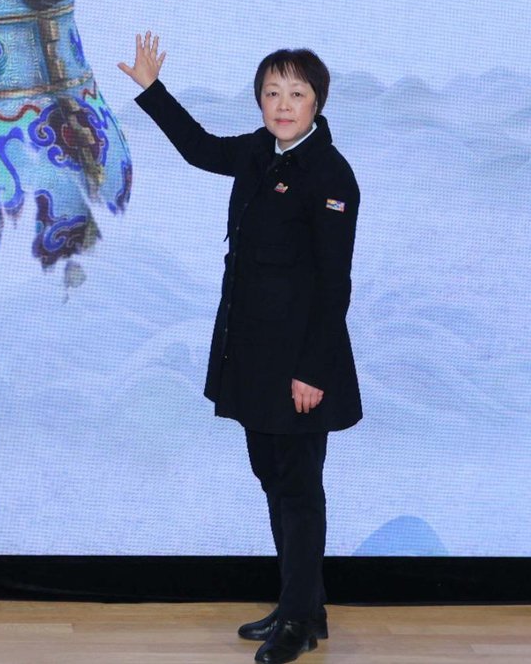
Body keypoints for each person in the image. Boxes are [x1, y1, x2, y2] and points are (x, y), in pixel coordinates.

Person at [119, 34, 362, 664]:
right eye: (273, 93)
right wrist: (152, 90)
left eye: (297, 94)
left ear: (318, 102)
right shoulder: (261, 152)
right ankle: (300, 605)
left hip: (302, 365)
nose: (284, 104)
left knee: (299, 489)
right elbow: (200, 150)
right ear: (260, 101)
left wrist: (312, 372)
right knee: (272, 480)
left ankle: (301, 622)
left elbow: (335, 285)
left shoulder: (330, 175)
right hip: (252, 354)